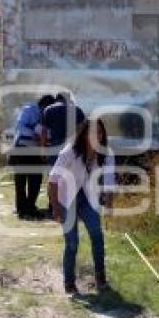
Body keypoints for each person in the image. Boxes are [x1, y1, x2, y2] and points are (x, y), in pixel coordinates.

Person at [48, 119, 114, 295]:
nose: (97, 136)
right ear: (84, 135)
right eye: (93, 133)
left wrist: (108, 205)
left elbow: (109, 181)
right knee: (72, 242)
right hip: (66, 197)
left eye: (100, 133)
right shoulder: (69, 152)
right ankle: (69, 283)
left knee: (97, 235)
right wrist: (55, 208)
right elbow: (52, 180)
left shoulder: (106, 153)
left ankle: (100, 278)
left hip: (87, 197)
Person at [8, 94, 55, 220]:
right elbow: (20, 127)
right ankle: (21, 209)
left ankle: (30, 207)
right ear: (43, 106)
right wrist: (36, 133)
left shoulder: (48, 116)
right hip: (22, 148)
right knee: (21, 181)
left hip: (37, 151)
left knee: (36, 180)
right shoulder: (29, 110)